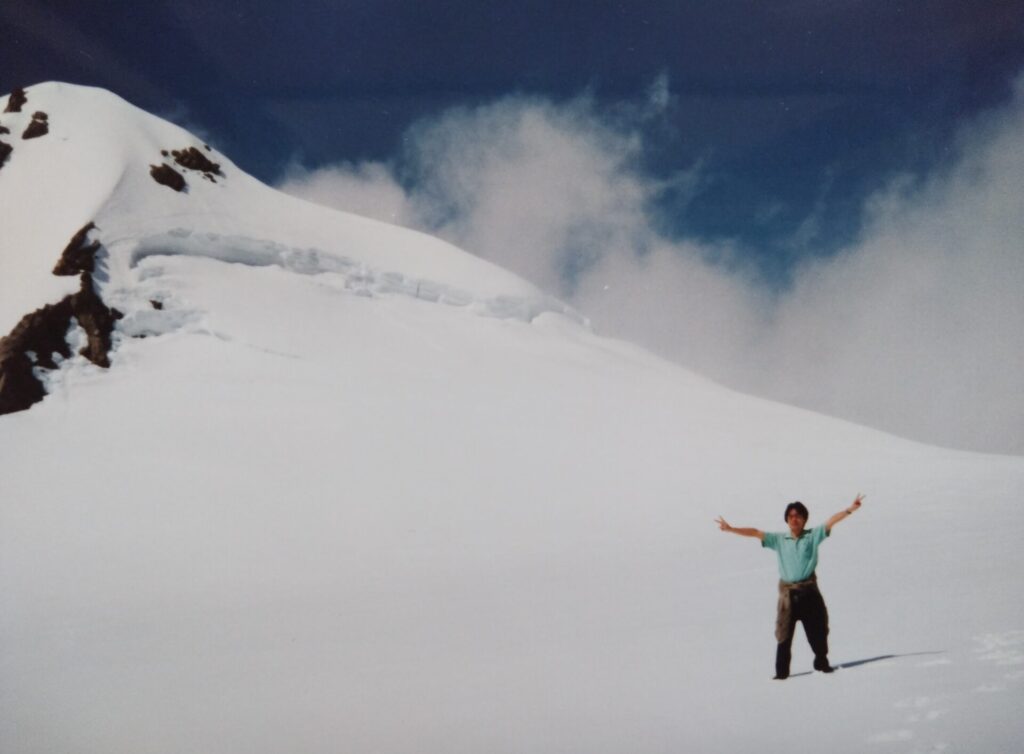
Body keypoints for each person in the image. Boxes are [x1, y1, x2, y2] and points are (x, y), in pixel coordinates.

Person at [715, 494, 863, 679]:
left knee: (818, 631)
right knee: (783, 635)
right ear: (787, 519)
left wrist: (850, 509)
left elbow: (831, 521)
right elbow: (755, 532)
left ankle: (822, 663)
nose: (795, 519)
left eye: (799, 515)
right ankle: (782, 675)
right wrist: (731, 529)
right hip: (788, 596)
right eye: (791, 516)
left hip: (809, 592)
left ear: (804, 519)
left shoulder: (812, 536)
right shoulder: (779, 540)